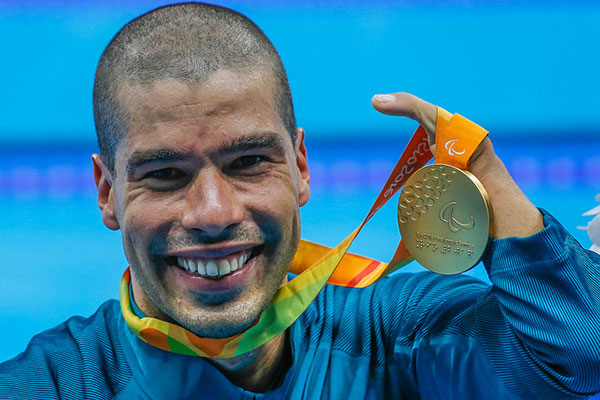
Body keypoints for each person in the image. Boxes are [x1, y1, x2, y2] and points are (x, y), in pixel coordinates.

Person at [1, 2, 599, 399]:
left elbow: (578, 358)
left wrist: (482, 168)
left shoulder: (394, 338)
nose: (214, 213)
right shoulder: (54, 384)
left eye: (248, 163)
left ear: (301, 168)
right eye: (164, 175)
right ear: (108, 193)